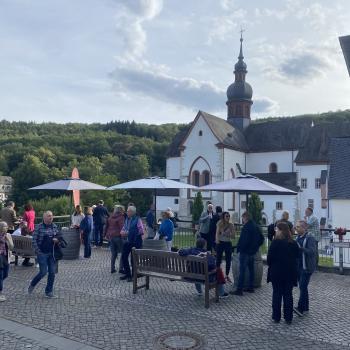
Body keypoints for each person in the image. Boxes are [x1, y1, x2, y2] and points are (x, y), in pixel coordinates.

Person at [267, 222, 299, 324]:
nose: (276, 231)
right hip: (289, 273)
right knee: (288, 294)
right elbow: (297, 256)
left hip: (276, 272)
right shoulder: (293, 243)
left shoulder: (275, 243)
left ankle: (276, 317)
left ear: (281, 231)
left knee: (277, 294)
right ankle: (288, 317)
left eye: (277, 229)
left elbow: (269, 259)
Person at [28, 211, 63, 298]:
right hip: (42, 253)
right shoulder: (39, 227)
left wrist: (57, 240)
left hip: (52, 253)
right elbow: (34, 240)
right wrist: (38, 251)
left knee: (52, 273)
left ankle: (49, 291)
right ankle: (33, 283)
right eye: (48, 216)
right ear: (44, 218)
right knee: (43, 272)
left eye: (51, 216)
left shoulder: (55, 226)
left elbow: (59, 237)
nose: (50, 217)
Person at [231, 211, 264, 296]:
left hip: (245, 252)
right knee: (251, 270)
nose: (242, 220)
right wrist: (256, 247)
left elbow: (243, 241)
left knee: (242, 270)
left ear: (246, 217)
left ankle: (239, 290)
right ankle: (251, 287)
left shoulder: (246, 227)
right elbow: (262, 239)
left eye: (243, 218)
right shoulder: (256, 226)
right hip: (252, 252)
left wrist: (239, 248)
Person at [293, 220, 317, 316]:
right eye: (296, 227)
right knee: (303, 287)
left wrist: (301, 249)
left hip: (306, 267)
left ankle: (300, 308)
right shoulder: (298, 237)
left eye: (298, 227)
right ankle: (306, 307)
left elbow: (312, 252)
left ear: (304, 228)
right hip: (299, 266)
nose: (296, 228)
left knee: (302, 287)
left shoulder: (310, 238)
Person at [120, 206, 144, 282]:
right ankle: (128, 274)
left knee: (133, 259)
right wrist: (122, 231)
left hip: (135, 242)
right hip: (127, 241)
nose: (127, 212)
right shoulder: (127, 219)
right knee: (124, 257)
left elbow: (141, 231)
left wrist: (129, 233)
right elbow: (124, 227)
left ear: (132, 212)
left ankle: (134, 275)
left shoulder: (138, 219)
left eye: (128, 211)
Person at [104, 205, 125, 273]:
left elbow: (106, 226)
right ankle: (121, 268)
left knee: (114, 253)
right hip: (118, 236)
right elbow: (122, 227)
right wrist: (124, 236)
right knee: (123, 252)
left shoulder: (110, 217)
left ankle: (112, 268)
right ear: (121, 210)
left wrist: (104, 235)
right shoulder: (121, 217)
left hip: (110, 237)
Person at [215, 211, 235, 282]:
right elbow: (217, 233)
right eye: (226, 216)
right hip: (220, 243)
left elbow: (233, 236)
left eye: (229, 216)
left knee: (228, 260)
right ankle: (217, 275)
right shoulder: (220, 223)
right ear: (223, 217)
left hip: (228, 243)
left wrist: (227, 234)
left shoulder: (231, 225)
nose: (228, 217)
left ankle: (227, 275)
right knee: (218, 259)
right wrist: (217, 241)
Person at [0, 221, 14, 302]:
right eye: (4, 226)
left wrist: (8, 240)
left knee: (5, 274)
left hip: (6, 257)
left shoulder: (8, 235)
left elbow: (12, 247)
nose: (6, 228)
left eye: (6, 226)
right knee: (1, 274)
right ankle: (0, 293)